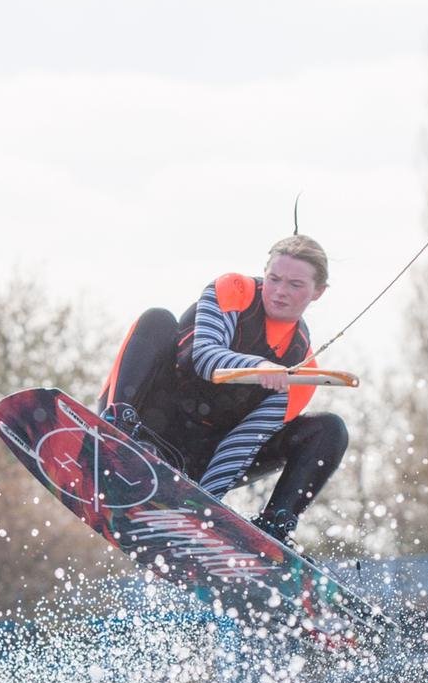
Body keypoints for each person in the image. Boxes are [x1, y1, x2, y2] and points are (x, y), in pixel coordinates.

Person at [98, 233, 347, 544]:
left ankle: (273, 530)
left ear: (318, 292)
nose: (280, 292)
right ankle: (113, 436)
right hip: (151, 420)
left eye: (295, 285)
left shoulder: (302, 369)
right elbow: (204, 356)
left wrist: (203, 507)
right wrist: (258, 367)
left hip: (201, 455)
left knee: (329, 428)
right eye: (274, 279)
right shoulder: (234, 291)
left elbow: (243, 443)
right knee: (157, 319)